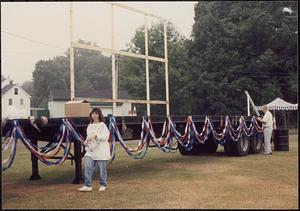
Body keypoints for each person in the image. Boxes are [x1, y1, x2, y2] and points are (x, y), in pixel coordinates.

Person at [78, 108, 110, 192]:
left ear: (99, 115)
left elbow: (106, 136)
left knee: (102, 169)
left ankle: (103, 184)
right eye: (92, 114)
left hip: (101, 150)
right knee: (87, 166)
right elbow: (89, 136)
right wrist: (87, 140)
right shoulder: (90, 126)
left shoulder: (102, 125)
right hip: (91, 150)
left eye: (96, 114)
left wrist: (97, 136)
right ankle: (88, 185)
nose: (94, 115)